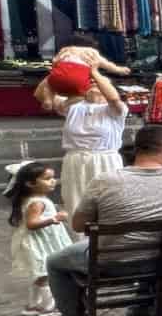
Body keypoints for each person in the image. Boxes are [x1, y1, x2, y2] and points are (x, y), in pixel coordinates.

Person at [43, 125, 162, 316]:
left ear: (137, 149)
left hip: (109, 262)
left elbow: (78, 225)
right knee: (151, 246)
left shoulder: (105, 181)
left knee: (54, 262)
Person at [50, 85, 127, 223]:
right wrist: (58, 69)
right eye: (91, 82)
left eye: (98, 83)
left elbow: (114, 99)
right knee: (75, 200)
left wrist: (95, 71)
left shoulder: (115, 109)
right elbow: (46, 93)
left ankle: (108, 239)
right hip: (76, 159)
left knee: (108, 200)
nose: (94, 85)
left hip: (105, 159)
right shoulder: (73, 106)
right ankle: (81, 241)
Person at [7, 162, 72, 316]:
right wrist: (55, 218)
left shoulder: (33, 199)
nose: (53, 181)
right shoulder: (37, 202)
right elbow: (32, 224)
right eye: (47, 178)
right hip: (41, 243)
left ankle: (33, 305)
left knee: (39, 276)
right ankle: (50, 306)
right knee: (45, 275)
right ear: (30, 183)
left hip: (41, 241)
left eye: (53, 177)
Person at [32, 34, 127, 110]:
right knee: (81, 91)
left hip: (61, 79)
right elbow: (107, 65)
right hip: (78, 94)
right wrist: (118, 69)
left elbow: (39, 93)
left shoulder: (65, 51)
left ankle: (49, 99)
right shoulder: (91, 53)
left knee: (50, 86)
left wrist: (56, 68)